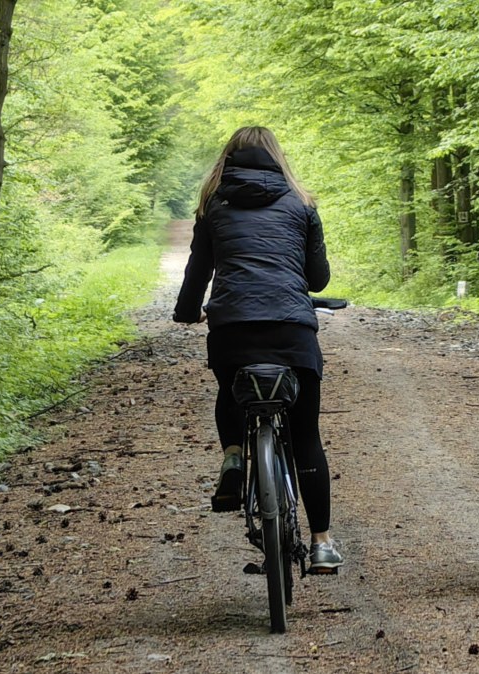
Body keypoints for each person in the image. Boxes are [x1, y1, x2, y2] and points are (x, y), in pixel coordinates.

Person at [173, 126, 343, 569]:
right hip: (292, 332)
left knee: (231, 386)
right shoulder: (302, 204)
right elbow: (318, 279)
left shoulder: (214, 206)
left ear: (226, 161)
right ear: (277, 159)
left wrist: (187, 311)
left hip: (233, 331)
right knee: (306, 435)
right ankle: (322, 542)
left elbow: (198, 273)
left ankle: (233, 457)